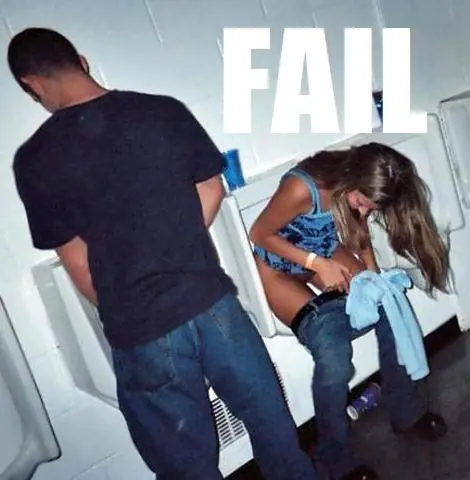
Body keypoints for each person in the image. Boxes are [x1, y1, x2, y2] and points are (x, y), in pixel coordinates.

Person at [8, 28, 318, 480]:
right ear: (82, 60)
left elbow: (76, 260)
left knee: (186, 467)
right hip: (213, 304)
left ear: (31, 84)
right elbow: (211, 187)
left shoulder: (36, 159)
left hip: (142, 327)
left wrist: (128, 298)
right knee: (275, 431)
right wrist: (174, 243)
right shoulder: (161, 111)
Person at [249, 144, 449, 480]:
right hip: (276, 266)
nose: (364, 210)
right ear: (349, 177)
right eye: (362, 202)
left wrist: (373, 276)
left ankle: (407, 410)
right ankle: (335, 455)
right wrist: (316, 264)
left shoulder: (357, 186)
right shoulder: (303, 188)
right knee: (332, 349)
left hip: (323, 251)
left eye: (371, 207)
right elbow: (258, 233)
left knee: (388, 305)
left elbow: (359, 229)